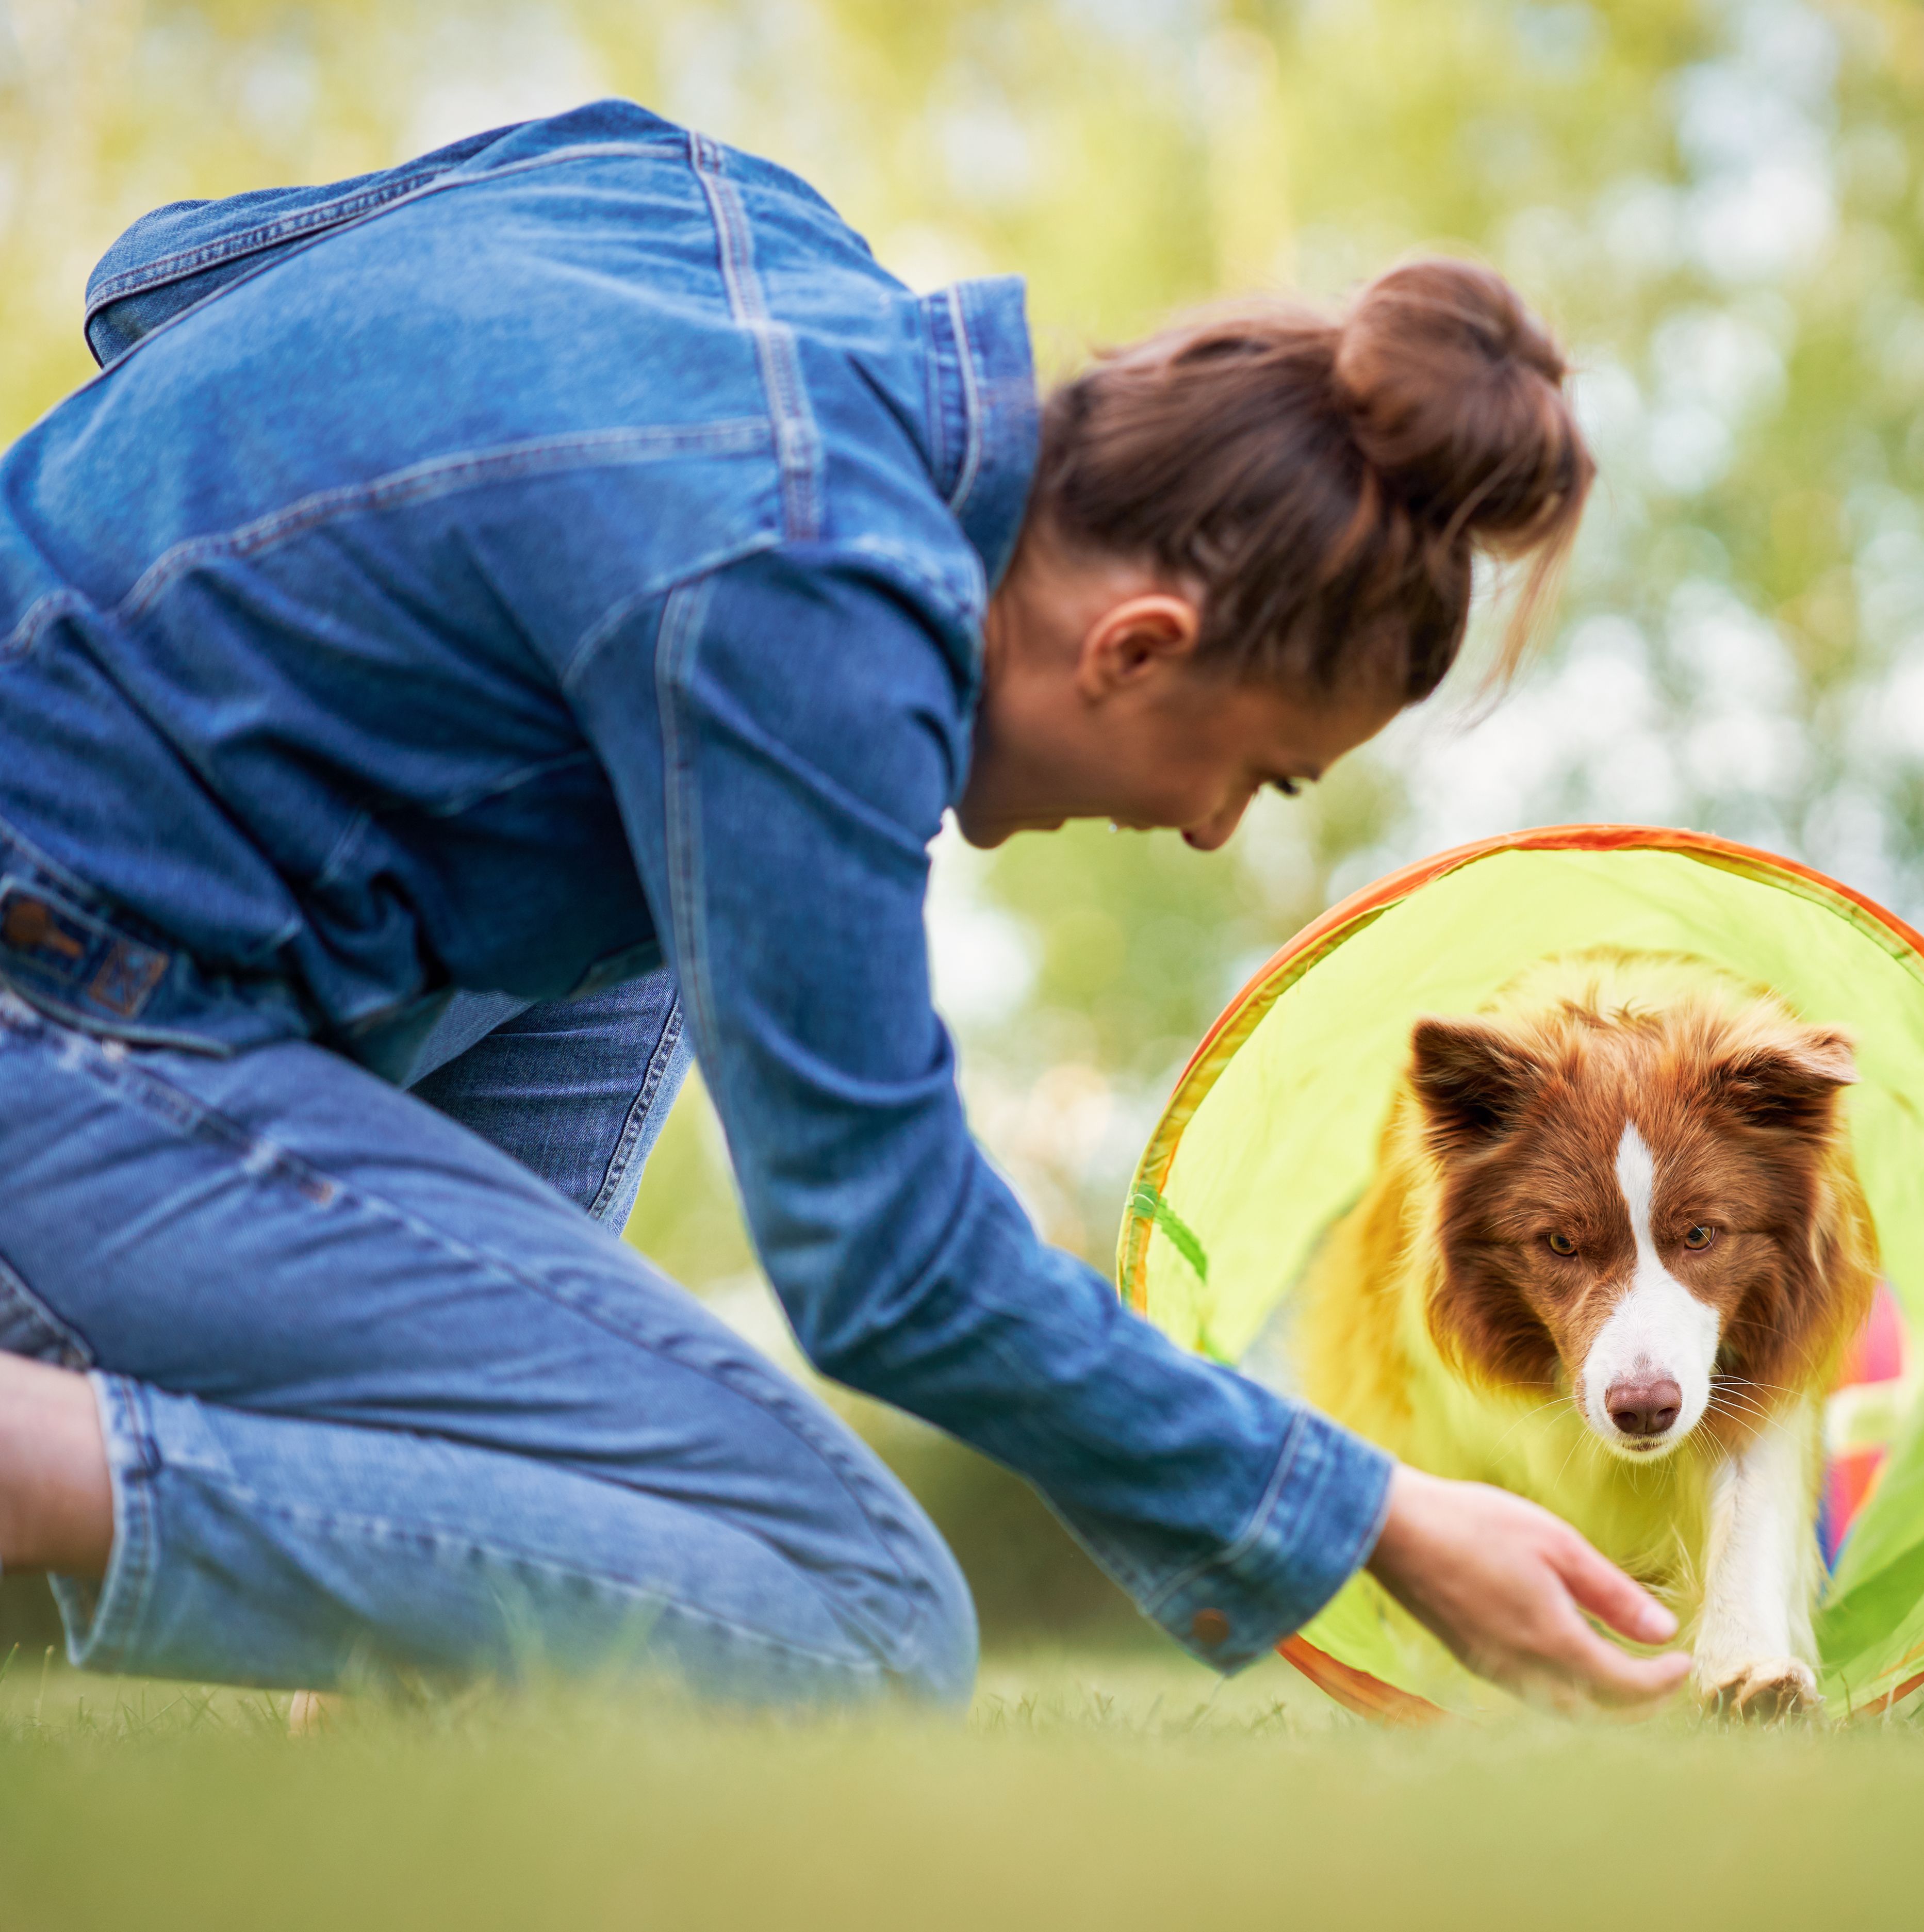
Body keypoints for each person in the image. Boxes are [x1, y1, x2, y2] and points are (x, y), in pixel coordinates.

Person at [0, 100, 1692, 1711]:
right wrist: (1371, 1516)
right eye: (1254, 771)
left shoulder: (716, 217)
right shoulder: (807, 585)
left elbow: (158, 283)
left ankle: (423, 1580)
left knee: (667, 869)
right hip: (65, 996)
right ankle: (40, 1459)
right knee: (866, 1623)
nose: (1200, 831)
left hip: (127, 918)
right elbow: (882, 1253)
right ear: (1137, 648)